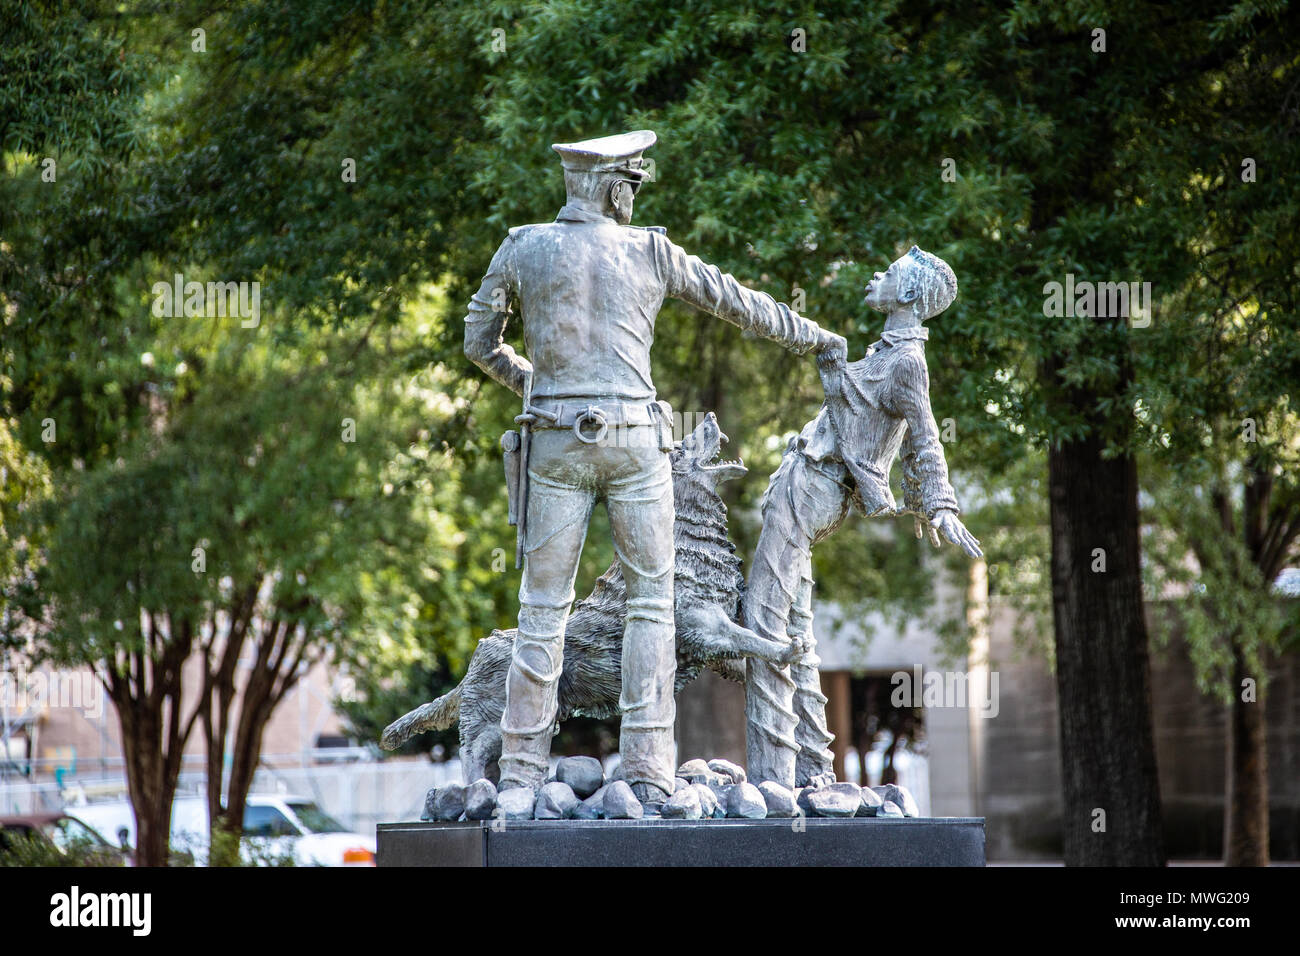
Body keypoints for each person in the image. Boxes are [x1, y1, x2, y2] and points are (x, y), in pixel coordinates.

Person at [463, 130, 845, 802]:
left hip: (554, 441)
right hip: (638, 443)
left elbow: (478, 343)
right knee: (650, 606)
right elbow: (741, 304)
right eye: (632, 185)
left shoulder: (522, 246)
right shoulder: (649, 250)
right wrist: (816, 336)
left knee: (541, 611)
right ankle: (646, 768)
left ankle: (520, 776)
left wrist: (542, 392)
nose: (634, 199)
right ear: (613, 186)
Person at [743, 245, 983, 789]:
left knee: (763, 621)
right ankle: (811, 773)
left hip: (817, 489)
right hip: (804, 483)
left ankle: (772, 780)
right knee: (793, 628)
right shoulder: (885, 351)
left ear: (909, 295)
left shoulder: (906, 363)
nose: (877, 274)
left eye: (890, 273)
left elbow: (926, 439)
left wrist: (940, 503)